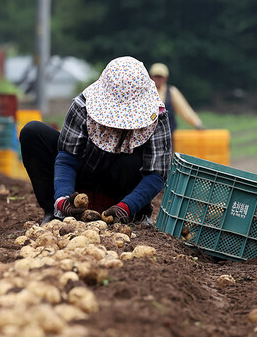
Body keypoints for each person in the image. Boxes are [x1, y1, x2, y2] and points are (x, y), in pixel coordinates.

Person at [20, 56, 172, 226]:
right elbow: (67, 157)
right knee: (33, 132)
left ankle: (133, 215)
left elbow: (157, 174)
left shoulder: (157, 116)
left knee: (134, 161)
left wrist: (126, 207)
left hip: (122, 187)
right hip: (84, 174)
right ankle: (55, 212)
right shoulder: (83, 105)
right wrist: (63, 197)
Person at [149, 63, 205, 133]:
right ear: (151, 77)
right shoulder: (146, 92)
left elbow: (184, 109)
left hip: (168, 134)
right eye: (156, 77)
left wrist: (197, 123)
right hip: (149, 134)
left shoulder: (172, 91)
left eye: (161, 77)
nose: (158, 79)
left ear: (166, 78)